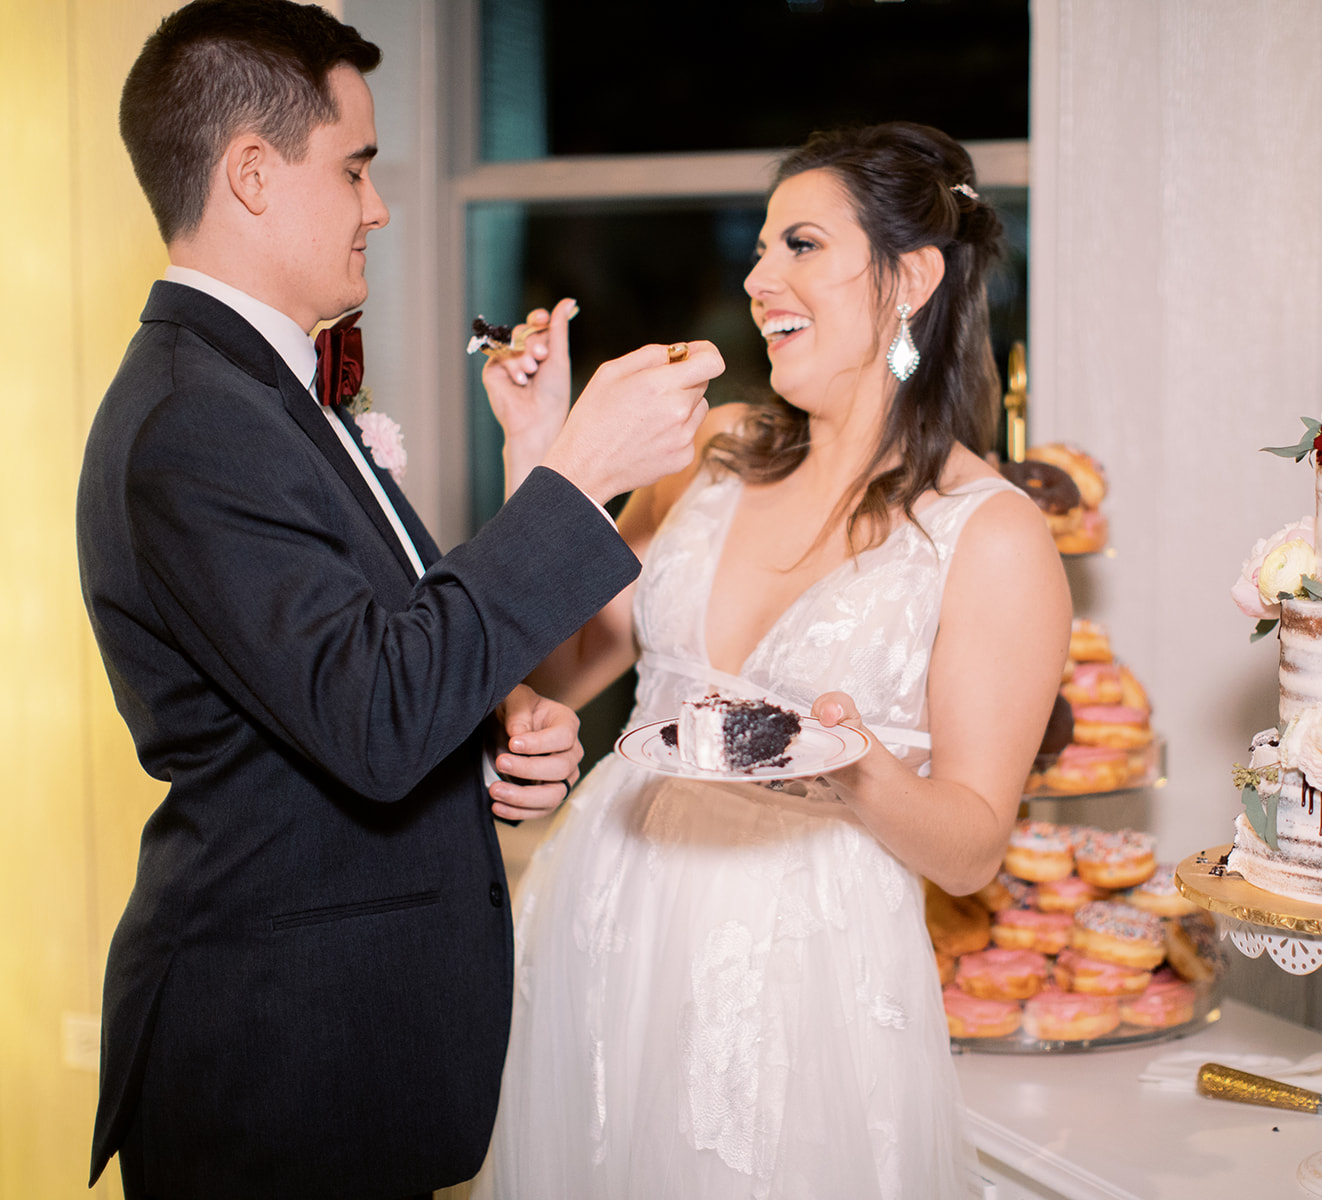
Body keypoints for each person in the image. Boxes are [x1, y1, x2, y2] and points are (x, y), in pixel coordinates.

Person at [77, 3, 720, 1197]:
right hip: (277, 1072)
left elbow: (358, 678)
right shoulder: (192, 423)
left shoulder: (256, 394)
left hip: (338, 1056)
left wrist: (484, 741)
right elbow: (376, 718)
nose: (379, 206)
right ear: (254, 174)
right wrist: (582, 474)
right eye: (357, 167)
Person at [474, 123, 1072, 1198]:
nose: (757, 279)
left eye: (798, 244)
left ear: (912, 278)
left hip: (801, 985)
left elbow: (973, 849)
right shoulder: (713, 456)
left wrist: (852, 766)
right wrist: (538, 448)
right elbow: (557, 670)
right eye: (757, 251)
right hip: (604, 922)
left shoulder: (993, 533)